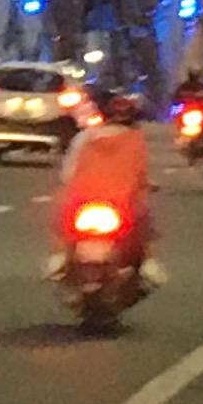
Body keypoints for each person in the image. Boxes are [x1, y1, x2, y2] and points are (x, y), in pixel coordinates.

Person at [49, 86, 158, 279]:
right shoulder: (135, 139)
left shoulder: (86, 137)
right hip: (120, 201)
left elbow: (68, 171)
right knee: (144, 222)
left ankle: (60, 257)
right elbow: (142, 174)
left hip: (84, 198)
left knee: (62, 220)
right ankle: (148, 262)